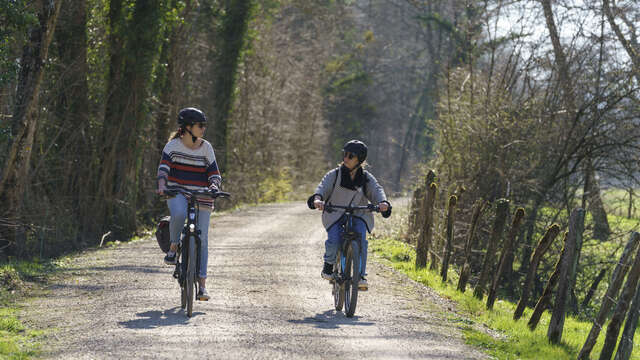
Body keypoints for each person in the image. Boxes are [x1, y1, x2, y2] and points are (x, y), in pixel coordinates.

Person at [307, 140, 391, 291]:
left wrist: (383, 203)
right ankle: (329, 264)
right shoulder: (334, 174)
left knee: (361, 241)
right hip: (335, 213)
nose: (345, 158)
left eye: (350, 156)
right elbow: (323, 187)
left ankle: (360, 276)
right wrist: (317, 199)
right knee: (334, 238)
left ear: (359, 160)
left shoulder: (366, 178)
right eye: (344, 154)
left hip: (359, 213)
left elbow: (377, 190)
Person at [156, 107, 222, 301]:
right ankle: (174, 247)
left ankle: (202, 286)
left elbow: (214, 173)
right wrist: (161, 185)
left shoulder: (206, 147)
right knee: (177, 214)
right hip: (177, 191)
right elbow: (163, 170)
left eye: (204, 125)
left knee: (203, 237)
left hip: (202, 194)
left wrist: (214, 185)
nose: (203, 129)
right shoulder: (172, 146)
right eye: (200, 125)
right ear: (187, 128)